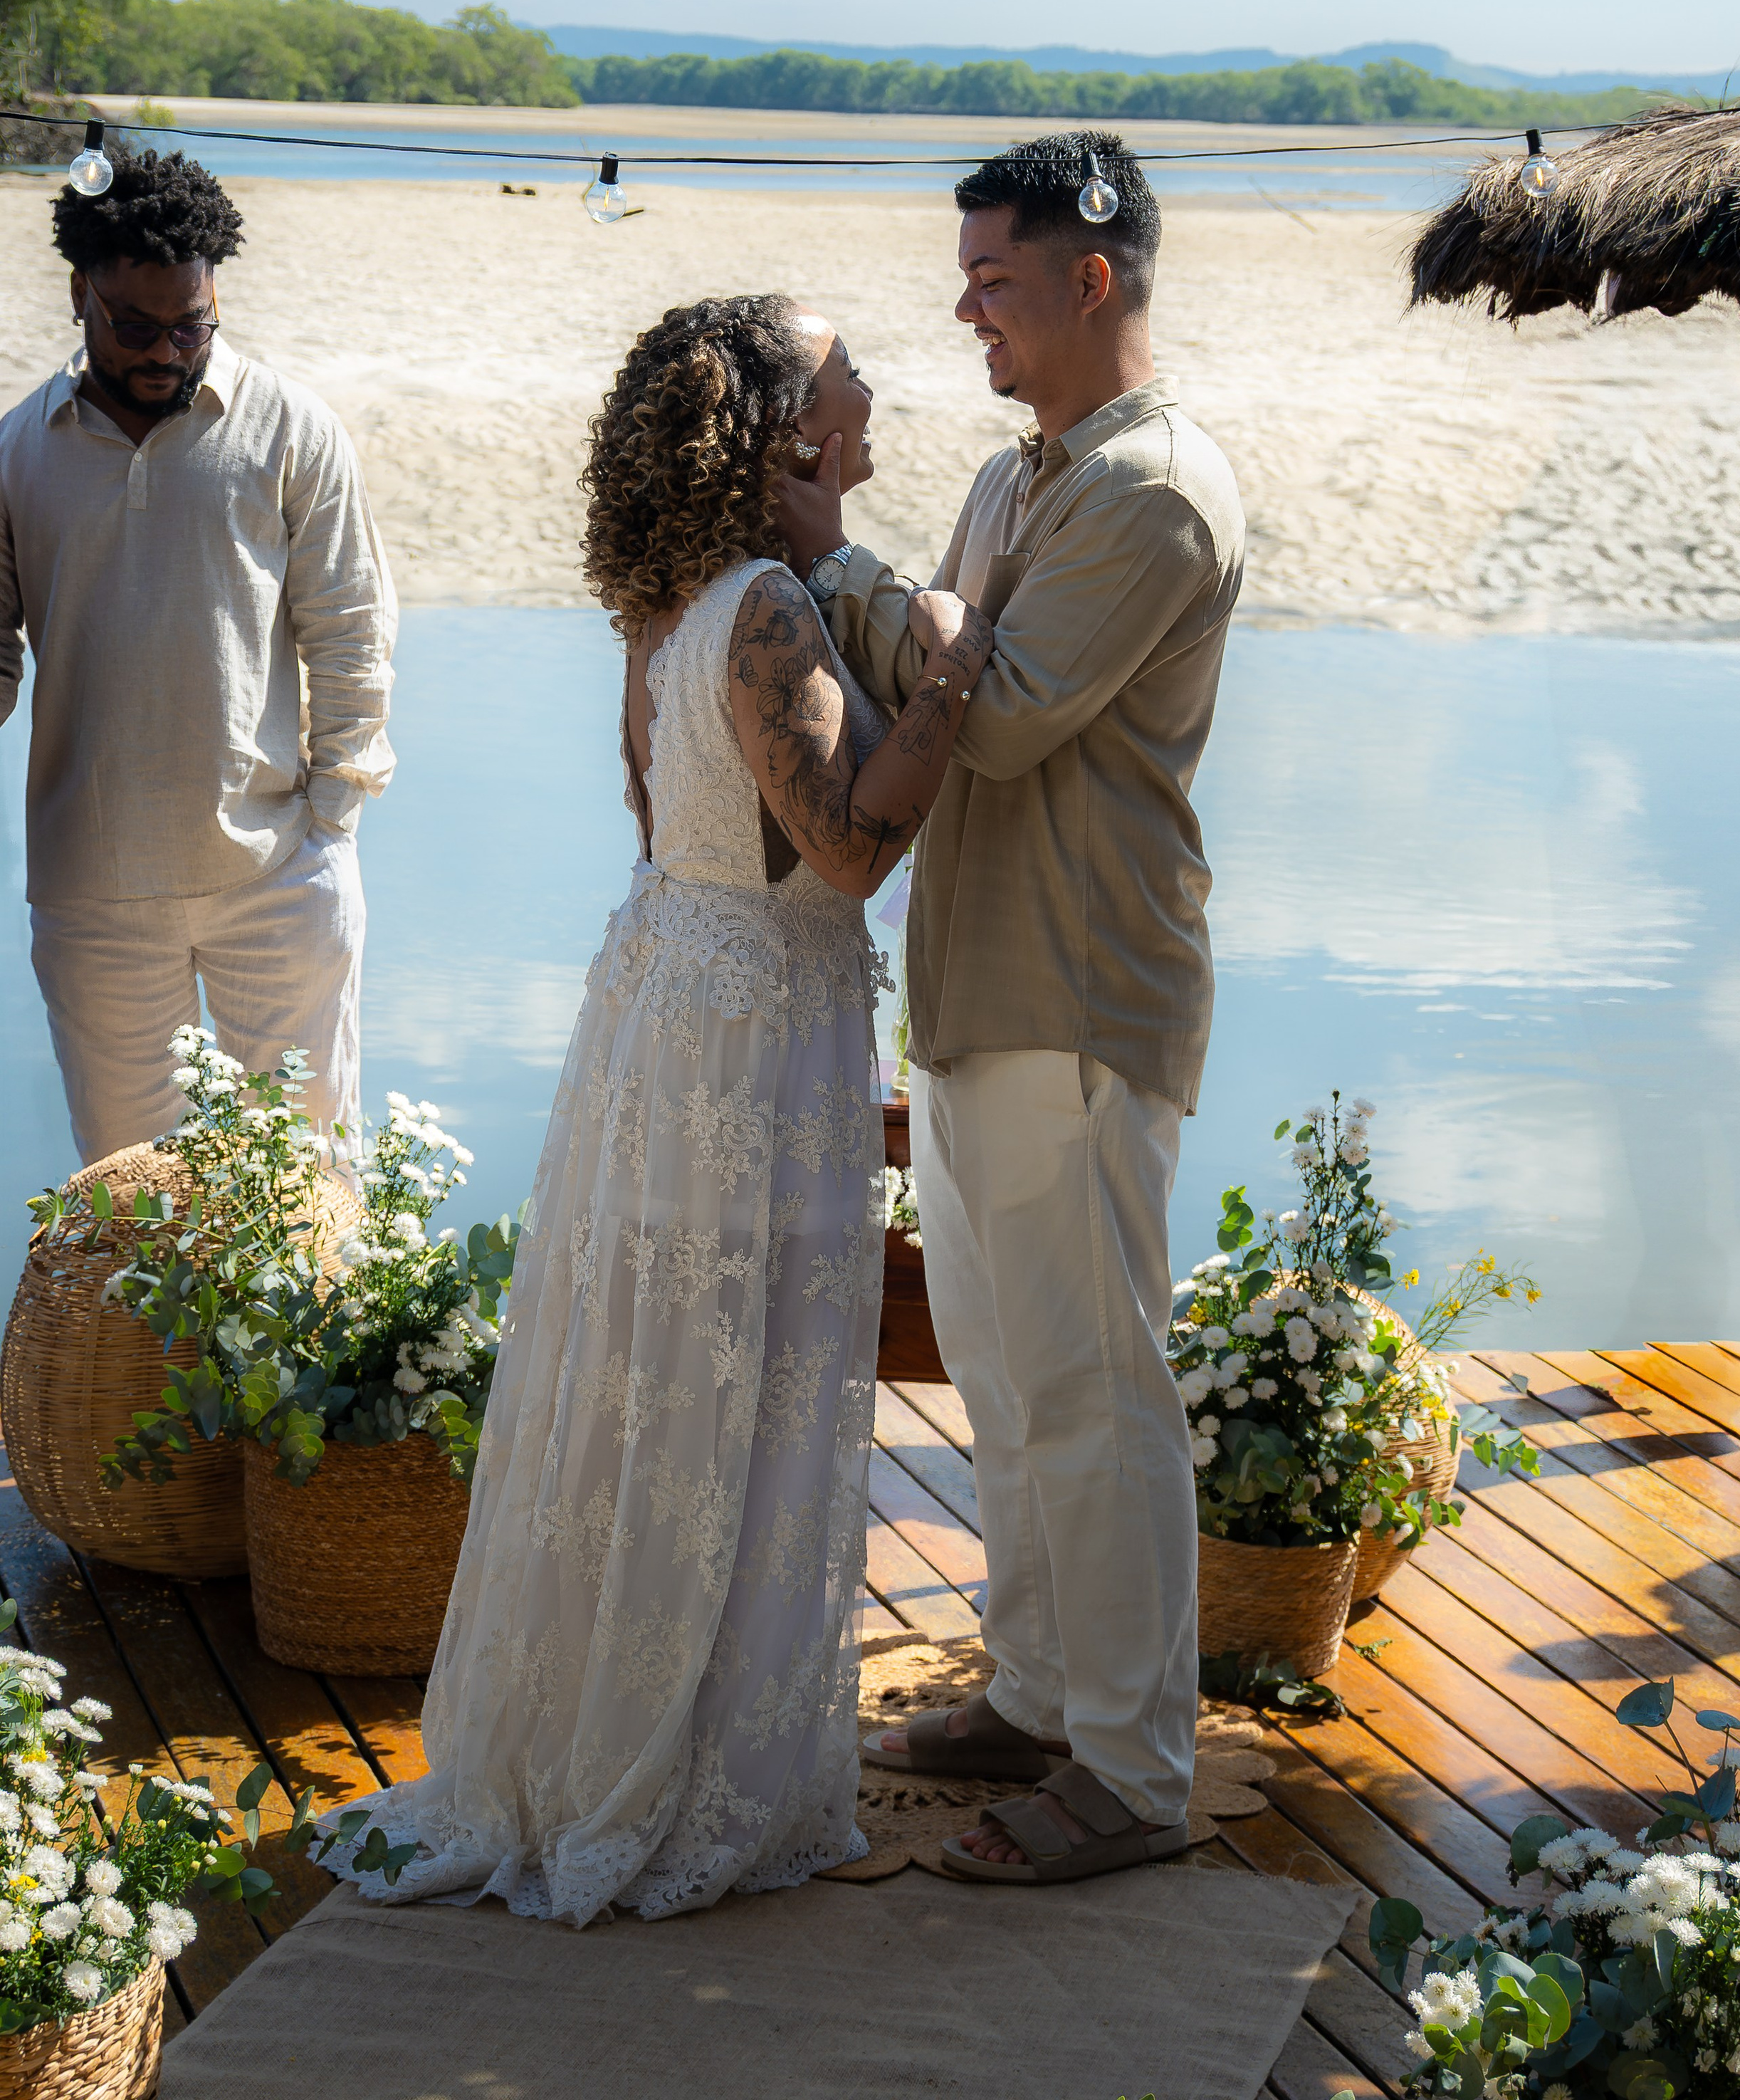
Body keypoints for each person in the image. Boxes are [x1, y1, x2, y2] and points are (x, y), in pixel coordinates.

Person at [320, 295, 990, 1923]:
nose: (870, 381)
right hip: (757, 1029)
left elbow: (664, 808)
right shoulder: (761, 605)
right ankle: (687, 1771)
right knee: (735, 1395)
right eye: (843, 373)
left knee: (656, 1387)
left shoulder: (666, 601)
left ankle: (643, 1727)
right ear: (784, 431)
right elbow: (840, 848)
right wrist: (950, 695)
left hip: (673, 1005)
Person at [775, 131, 1246, 1887]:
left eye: (991, 276)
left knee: (1094, 1381)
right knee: (1002, 1366)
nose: (962, 301)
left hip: (1080, 983)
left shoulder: (1153, 490)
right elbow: (947, 659)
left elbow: (1011, 700)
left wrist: (838, 566)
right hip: (978, 984)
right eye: (963, 272)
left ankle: (1130, 1771)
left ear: (1091, 279)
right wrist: (926, 612)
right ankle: (1041, 1691)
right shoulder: (1006, 472)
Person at [0, 147, 396, 1163]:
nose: (168, 351)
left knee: (307, 1191)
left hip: (278, 880)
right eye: (136, 327)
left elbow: (352, 635)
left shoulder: (294, 429)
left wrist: (332, 828)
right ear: (78, 294)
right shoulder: (15, 451)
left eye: (193, 323)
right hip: (90, 894)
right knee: (131, 1211)